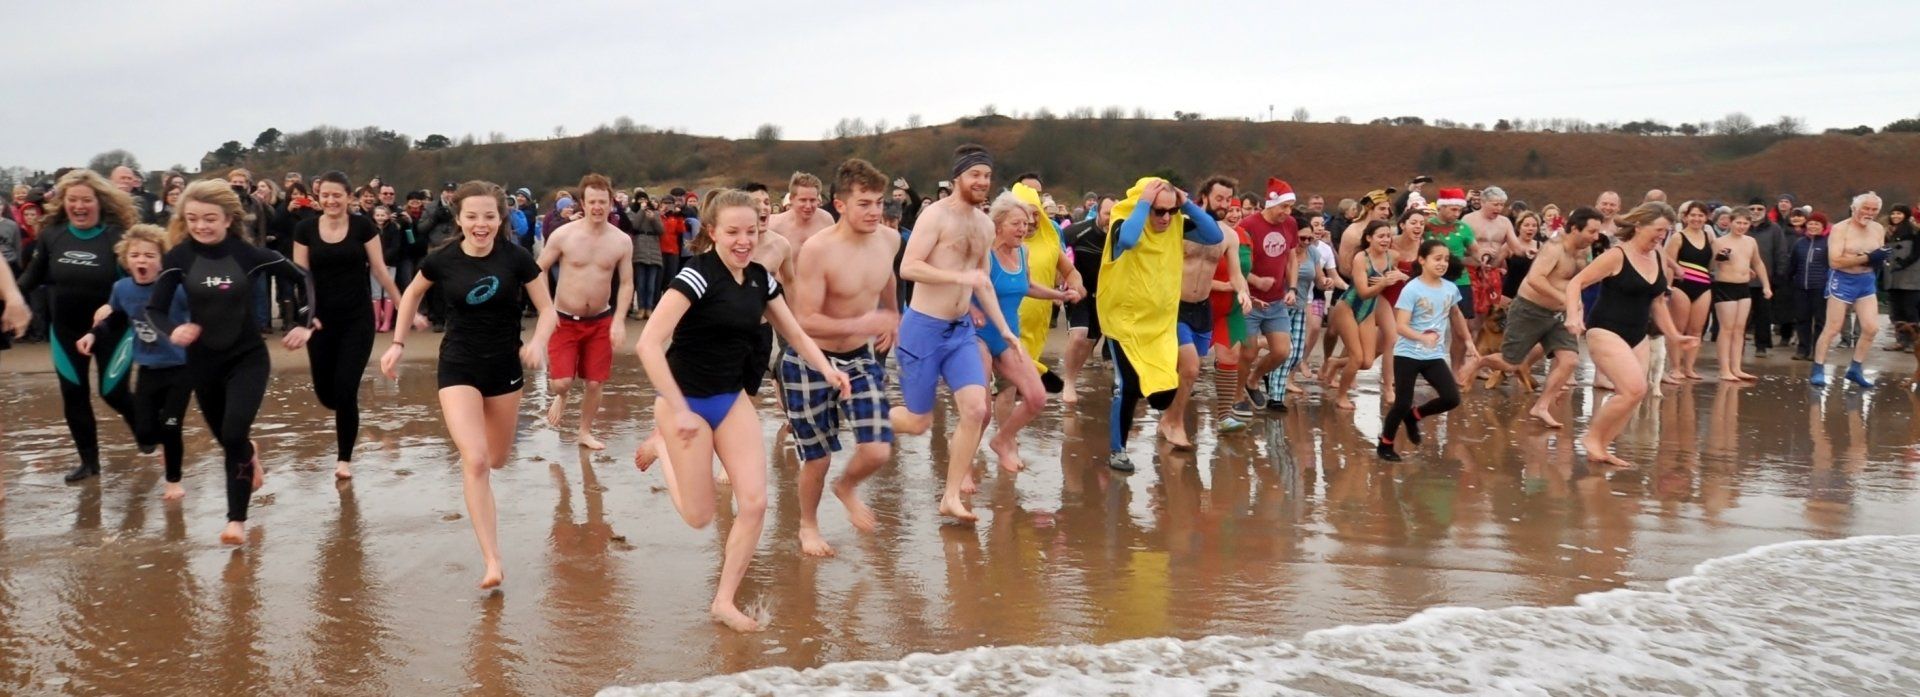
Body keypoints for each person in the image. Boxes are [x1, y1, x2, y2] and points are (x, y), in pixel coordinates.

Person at [632, 189, 846, 631]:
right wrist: (679, 410)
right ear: (712, 232)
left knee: (754, 503)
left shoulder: (760, 279)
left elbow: (796, 332)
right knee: (700, 516)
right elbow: (648, 344)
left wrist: (828, 370)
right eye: (733, 232)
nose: (743, 240)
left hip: (729, 400)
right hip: (683, 402)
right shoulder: (695, 277)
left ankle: (724, 601)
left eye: (751, 231)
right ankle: (664, 447)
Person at [380, 180, 556, 587]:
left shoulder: (516, 259)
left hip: (505, 369)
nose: (481, 224)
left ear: (501, 218)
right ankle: (492, 560)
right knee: (475, 459)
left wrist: (539, 342)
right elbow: (409, 295)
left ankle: (482, 474)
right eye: (472, 216)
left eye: (489, 216)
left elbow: (547, 310)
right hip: (458, 366)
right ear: (459, 219)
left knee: (495, 459)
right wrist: (398, 344)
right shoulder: (442, 260)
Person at [147, 180, 316, 544]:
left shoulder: (247, 254)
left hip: (247, 358)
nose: (201, 226)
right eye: (192, 219)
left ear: (228, 219)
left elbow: (302, 278)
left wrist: (304, 324)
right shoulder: (178, 257)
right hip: (202, 362)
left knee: (234, 433)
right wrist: (172, 331)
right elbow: (155, 309)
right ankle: (248, 456)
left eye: (210, 218)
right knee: (230, 441)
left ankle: (235, 521)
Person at [777, 159, 901, 557]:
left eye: (879, 202)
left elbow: (887, 278)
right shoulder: (818, 250)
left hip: (859, 356)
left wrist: (892, 316)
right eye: (864, 203)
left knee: (878, 448)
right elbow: (806, 322)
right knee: (818, 457)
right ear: (841, 204)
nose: (875, 211)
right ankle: (808, 525)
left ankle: (846, 487)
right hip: (809, 360)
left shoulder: (889, 240)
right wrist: (866, 322)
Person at [889, 144, 1017, 521]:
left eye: (987, 176)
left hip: (961, 331)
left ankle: (950, 496)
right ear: (958, 177)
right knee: (917, 421)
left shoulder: (985, 224)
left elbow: (982, 284)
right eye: (975, 174)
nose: (982, 181)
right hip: (923, 328)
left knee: (977, 409)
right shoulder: (934, 216)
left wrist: (1006, 330)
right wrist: (956, 276)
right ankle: (864, 412)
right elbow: (908, 268)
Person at [17, 169, 141, 482]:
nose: (80, 206)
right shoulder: (52, 236)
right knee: (74, 394)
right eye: (73, 200)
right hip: (66, 330)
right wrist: (9, 299)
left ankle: (147, 432)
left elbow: (135, 283)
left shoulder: (115, 237)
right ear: (64, 203)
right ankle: (89, 463)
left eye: (86, 200)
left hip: (112, 328)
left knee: (112, 392)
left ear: (99, 202)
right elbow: (31, 278)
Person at [1100, 177, 1223, 471]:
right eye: (1159, 211)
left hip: (1160, 324)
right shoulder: (1124, 221)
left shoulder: (1177, 221)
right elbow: (1128, 241)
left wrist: (1187, 204)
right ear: (1145, 205)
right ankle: (1118, 450)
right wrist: (1143, 203)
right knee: (1127, 386)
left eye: (1171, 210)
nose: (1166, 217)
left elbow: (1214, 235)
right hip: (1125, 323)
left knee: (1165, 390)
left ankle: (1161, 416)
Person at [294, 172, 406, 480]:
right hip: (319, 321)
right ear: (318, 197)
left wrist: (403, 306)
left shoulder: (362, 226)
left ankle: (344, 460)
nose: (331, 200)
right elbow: (300, 277)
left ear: (348, 198)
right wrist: (305, 317)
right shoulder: (304, 229)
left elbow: (382, 272)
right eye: (325, 195)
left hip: (357, 319)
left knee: (345, 390)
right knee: (326, 395)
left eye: (337, 195)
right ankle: (342, 420)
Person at [1564, 202, 1694, 467]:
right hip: (1606, 329)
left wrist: (1675, 336)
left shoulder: (1658, 255)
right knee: (1632, 388)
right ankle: (1591, 438)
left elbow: (1657, 303)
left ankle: (1601, 446)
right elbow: (1577, 283)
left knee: (1637, 393)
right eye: (1658, 229)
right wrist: (1573, 315)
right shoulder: (1617, 255)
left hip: (1637, 333)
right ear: (1639, 225)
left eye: (1666, 231)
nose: (1662, 235)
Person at [77, 224, 191, 500]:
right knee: (145, 432)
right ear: (126, 260)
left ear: (162, 260)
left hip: (181, 367)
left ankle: (173, 480)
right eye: (136, 255)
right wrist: (93, 334)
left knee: (172, 425)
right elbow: (115, 318)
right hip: (148, 367)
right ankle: (167, 446)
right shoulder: (122, 288)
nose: (142, 260)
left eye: (150, 255)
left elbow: (205, 311)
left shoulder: (176, 288)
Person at [1476, 207, 1602, 427]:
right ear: (1574, 228)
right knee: (1510, 363)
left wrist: (1575, 305)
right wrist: (1564, 298)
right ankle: (1479, 362)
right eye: (1591, 231)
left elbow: (1579, 280)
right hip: (1530, 309)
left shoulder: (1583, 251)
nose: (1596, 237)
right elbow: (1535, 279)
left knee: (1570, 360)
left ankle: (1541, 407)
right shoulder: (1554, 248)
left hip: (1558, 314)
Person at [537, 174, 634, 451]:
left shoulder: (621, 241)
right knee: (561, 383)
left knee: (595, 382)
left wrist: (619, 320)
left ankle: (584, 432)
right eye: (592, 202)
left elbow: (627, 283)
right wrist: (546, 309)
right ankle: (562, 396)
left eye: (602, 202)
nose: (597, 207)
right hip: (564, 319)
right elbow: (538, 269)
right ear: (583, 202)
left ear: (611, 203)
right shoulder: (564, 234)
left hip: (600, 320)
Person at [976, 193, 1071, 463]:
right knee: (980, 411)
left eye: (1026, 224)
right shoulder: (983, 253)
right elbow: (962, 285)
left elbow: (1026, 286)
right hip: (978, 336)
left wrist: (1058, 295)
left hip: (1009, 337)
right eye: (1016, 224)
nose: (1024, 229)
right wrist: (969, 309)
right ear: (998, 225)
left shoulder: (1023, 251)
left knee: (1036, 397)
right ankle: (965, 463)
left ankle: (1002, 439)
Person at [1377, 239, 1480, 461]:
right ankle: (1385, 444)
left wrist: (1469, 342)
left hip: (1433, 355)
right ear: (1422, 260)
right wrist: (1422, 338)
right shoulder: (1411, 289)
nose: (1442, 263)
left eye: (1445, 259)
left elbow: (1455, 315)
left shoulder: (1450, 288)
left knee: (1452, 398)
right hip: (1407, 354)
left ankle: (1414, 417)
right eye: (1437, 259)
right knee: (1402, 402)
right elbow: (1401, 326)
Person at [1809, 193, 1889, 388]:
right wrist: (1867, 258)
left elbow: (1878, 254)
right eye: (1866, 208)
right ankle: (1818, 368)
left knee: (1871, 328)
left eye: (1873, 210)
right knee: (1833, 328)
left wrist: (1881, 258)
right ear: (1854, 208)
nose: (1869, 213)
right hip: (1842, 279)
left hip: (1866, 280)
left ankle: (1855, 368)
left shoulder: (1878, 228)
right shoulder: (1840, 228)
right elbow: (1835, 261)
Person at [1326, 221, 1406, 410]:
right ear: (1369, 238)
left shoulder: (1393, 256)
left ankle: (1335, 362)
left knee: (1367, 362)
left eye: (1388, 236)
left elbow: (1397, 274)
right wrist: (1384, 283)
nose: (1386, 240)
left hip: (1368, 310)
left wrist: (1401, 276)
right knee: (1356, 358)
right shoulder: (1361, 258)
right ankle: (1341, 396)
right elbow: (1363, 292)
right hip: (1348, 307)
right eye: (1381, 236)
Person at [1011, 181, 1082, 394]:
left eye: (1035, 214)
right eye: (1024, 216)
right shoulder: (1001, 241)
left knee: (1025, 395)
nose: (1031, 222)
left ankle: (1006, 427)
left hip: (1037, 328)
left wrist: (1076, 285)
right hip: (1008, 324)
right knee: (1009, 387)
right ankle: (1038, 373)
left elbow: (1070, 271)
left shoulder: (1049, 243)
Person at [1239, 178, 1302, 411]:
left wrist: (1292, 288)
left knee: (1282, 351)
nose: (1288, 212)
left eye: (1291, 207)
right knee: (1248, 351)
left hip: (1276, 300)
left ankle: (1253, 379)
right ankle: (1237, 396)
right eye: (1284, 206)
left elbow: (1292, 258)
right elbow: (1236, 263)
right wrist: (1255, 280)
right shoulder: (1248, 225)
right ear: (1270, 204)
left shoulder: (1291, 224)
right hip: (1251, 300)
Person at [1059, 195, 1115, 403]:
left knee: (1090, 341)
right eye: (1107, 213)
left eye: (1115, 214)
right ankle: (1069, 384)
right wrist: (1061, 280)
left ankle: (1074, 374)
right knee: (1079, 336)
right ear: (1098, 212)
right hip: (1079, 292)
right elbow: (1055, 247)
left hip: (1105, 297)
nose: (1111, 218)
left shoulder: (1123, 236)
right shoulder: (1078, 230)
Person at [1708, 209, 1772, 382]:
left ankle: (1736, 367)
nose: (1741, 226)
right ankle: (1724, 369)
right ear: (1730, 222)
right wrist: (1720, 258)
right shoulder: (1719, 241)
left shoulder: (1750, 241)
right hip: (1725, 286)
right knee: (1726, 329)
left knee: (1739, 329)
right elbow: (1712, 265)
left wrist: (1766, 285)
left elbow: (1758, 263)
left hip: (1744, 287)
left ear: (1749, 224)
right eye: (1738, 222)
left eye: (1745, 223)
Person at [1424, 187, 1481, 364]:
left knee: (1462, 328)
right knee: (1428, 326)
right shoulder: (1427, 226)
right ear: (1441, 207)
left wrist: (1458, 261)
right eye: (1453, 209)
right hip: (1431, 281)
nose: (1457, 214)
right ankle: (1424, 364)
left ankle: (1456, 368)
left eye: (1459, 210)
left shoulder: (1463, 228)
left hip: (1460, 281)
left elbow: (1477, 255)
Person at [1664, 201, 1716, 382]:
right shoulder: (1678, 237)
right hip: (1682, 286)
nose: (1697, 219)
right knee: (1679, 329)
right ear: (1685, 217)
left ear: (1706, 218)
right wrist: (1667, 288)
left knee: (1696, 330)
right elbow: (1669, 264)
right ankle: (1675, 367)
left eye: (1700, 215)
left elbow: (1712, 264)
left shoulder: (1709, 237)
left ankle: (1689, 367)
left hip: (1704, 286)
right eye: (1693, 215)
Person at [1461, 186, 1517, 323]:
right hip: (1471, 271)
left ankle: (1486, 344)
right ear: (1483, 202)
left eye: (1502, 205)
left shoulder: (1505, 222)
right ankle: (1469, 342)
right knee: (1471, 317)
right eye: (1495, 204)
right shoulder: (1468, 220)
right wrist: (1478, 253)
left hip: (1493, 272)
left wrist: (1530, 251)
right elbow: (1459, 249)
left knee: (1491, 315)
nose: (1499, 208)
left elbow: (1516, 246)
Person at [1788, 213, 1833, 361]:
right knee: (1802, 319)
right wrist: (1788, 280)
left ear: (1823, 227)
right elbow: (1792, 265)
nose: (1813, 226)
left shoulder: (1828, 243)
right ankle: (1802, 349)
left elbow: (1833, 265)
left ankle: (1817, 350)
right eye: (1810, 223)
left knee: (1820, 321)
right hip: (1801, 286)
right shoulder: (1800, 243)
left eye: (1817, 224)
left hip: (1820, 287)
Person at [1884, 205, 1920, 351]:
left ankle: (1913, 342)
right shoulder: (1888, 232)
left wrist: (1903, 263)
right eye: (1893, 213)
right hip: (1893, 276)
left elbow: (1917, 253)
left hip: (1910, 276)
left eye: (1899, 213)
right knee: (1896, 310)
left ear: (1905, 215)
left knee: (1910, 309)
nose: (1895, 216)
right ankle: (1900, 341)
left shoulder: (1914, 231)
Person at [768, 171, 833, 250]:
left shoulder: (826, 220)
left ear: (818, 200)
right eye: (803, 200)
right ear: (791, 199)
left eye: (812, 200)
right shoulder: (774, 225)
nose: (808, 206)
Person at [630, 195, 665, 320]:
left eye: (646, 201)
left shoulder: (655, 213)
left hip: (654, 248)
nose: (644, 203)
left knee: (651, 284)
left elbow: (661, 230)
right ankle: (641, 309)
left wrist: (653, 219)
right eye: (641, 200)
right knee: (640, 283)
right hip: (640, 247)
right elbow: (635, 226)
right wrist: (641, 210)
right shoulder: (637, 213)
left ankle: (649, 308)